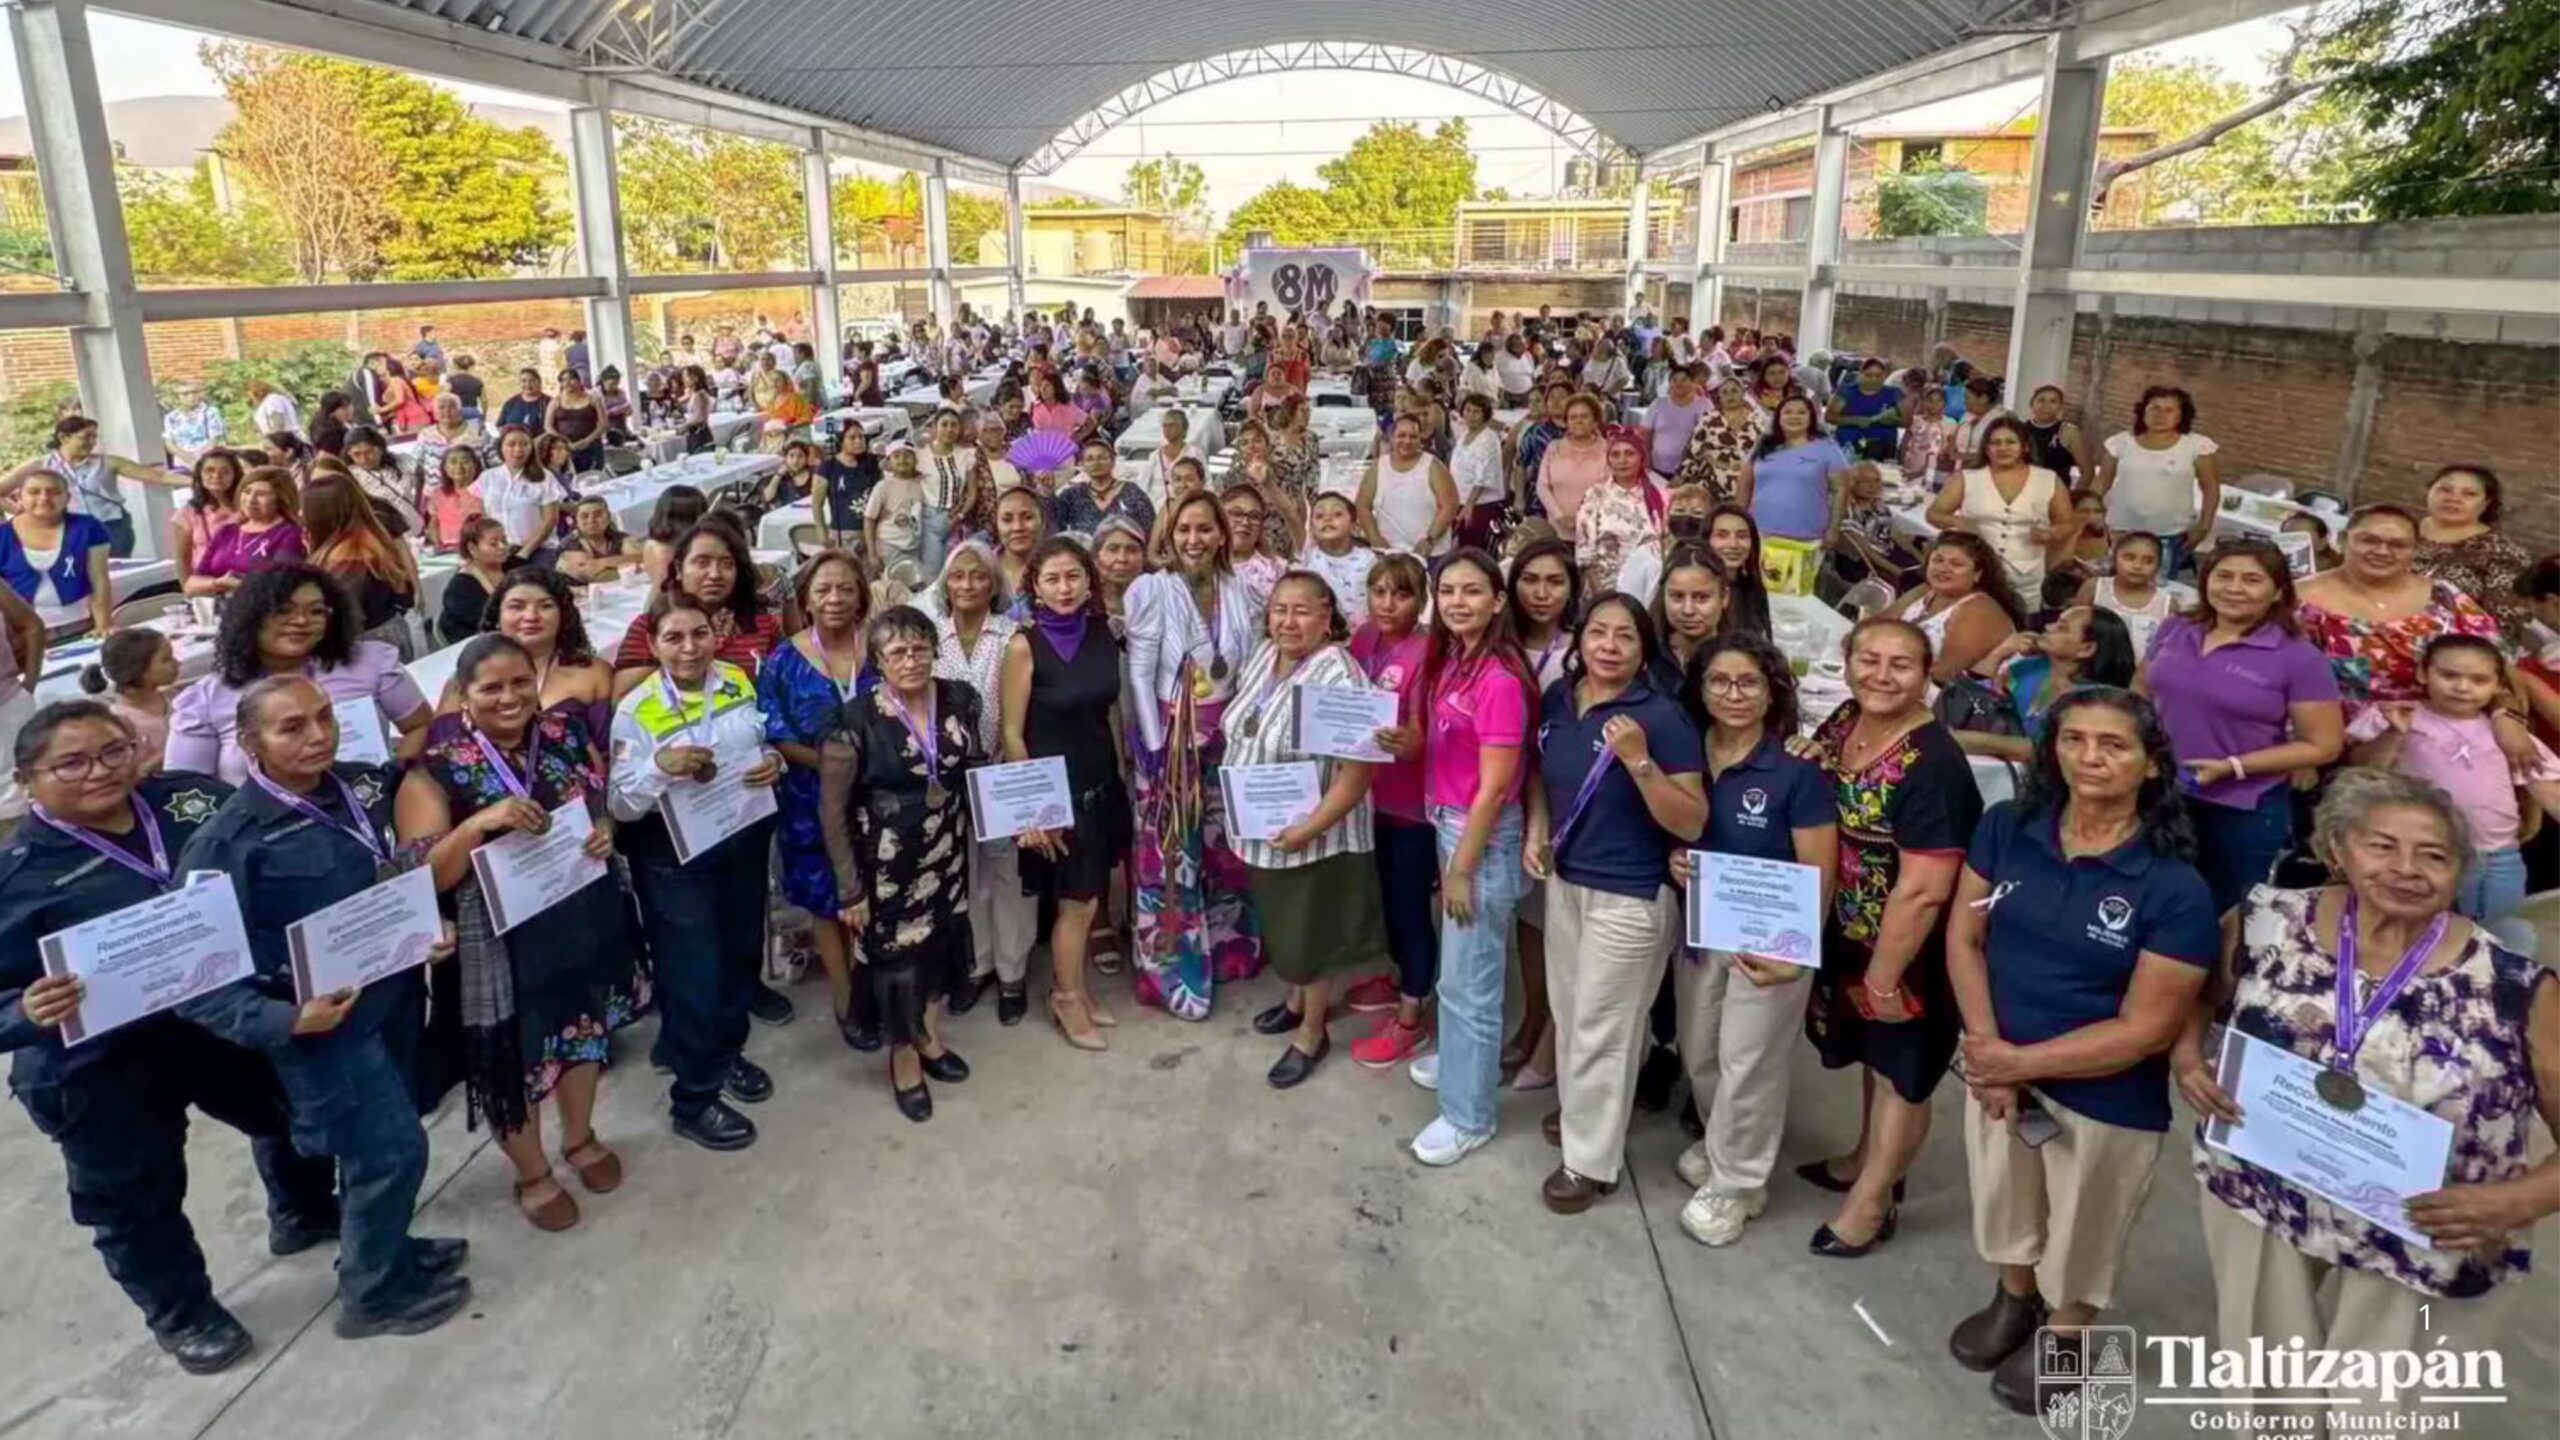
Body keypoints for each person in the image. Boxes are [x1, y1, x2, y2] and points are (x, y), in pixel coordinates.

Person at [2173, 770, 2558, 1415]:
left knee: (2382, 1407)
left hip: (2425, 1222)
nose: (2406, 868)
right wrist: (2189, 1058)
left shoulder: (2515, 988)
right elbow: (2198, 995)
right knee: (2265, 1375)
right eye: (2381, 846)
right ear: (2337, 849)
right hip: (2265, 1184)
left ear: (2461, 869)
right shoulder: (2267, 920)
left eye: (2433, 854)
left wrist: (2514, 1201)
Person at [0, 701, 343, 1371]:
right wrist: (23, 1010)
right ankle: (181, 1312)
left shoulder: (189, 801)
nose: (99, 771)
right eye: (71, 762)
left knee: (290, 1112)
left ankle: (301, 1210)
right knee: (134, 1195)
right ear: (26, 779)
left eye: (114, 751)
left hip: (218, 1019)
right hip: (100, 1061)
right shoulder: (14, 881)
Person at [1942, 687, 2218, 1414]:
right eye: (2074, 740)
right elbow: (1965, 937)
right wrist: (1984, 1047)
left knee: (2084, 1225)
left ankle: (2069, 1330)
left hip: (2102, 1092)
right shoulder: (2008, 827)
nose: (2090, 757)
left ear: (2152, 765)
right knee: (2005, 1196)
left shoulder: (2173, 888)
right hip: (1998, 1059)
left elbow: (2146, 1029)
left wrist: (2017, 1065)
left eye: (2114, 745)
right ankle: (2016, 1298)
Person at [176, 676, 474, 1337]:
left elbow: (385, 878)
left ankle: (387, 1249)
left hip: (391, 1001)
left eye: (323, 718)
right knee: (390, 1153)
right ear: (249, 744)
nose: (316, 736)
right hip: (323, 1030)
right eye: (291, 728)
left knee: (381, 1149)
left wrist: (422, 926)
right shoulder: (229, 843)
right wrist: (285, 1021)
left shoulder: (358, 788)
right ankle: (371, 1295)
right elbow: (194, 979)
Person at [397, 636, 633, 1230]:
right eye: (491, 688)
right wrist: (479, 822)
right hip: (496, 944)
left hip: (574, 913)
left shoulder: (561, 734)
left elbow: (594, 795)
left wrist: (602, 827)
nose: (509, 698)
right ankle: (532, 1173)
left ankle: (579, 1138)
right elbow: (422, 882)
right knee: (512, 1061)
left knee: (582, 1032)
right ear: (463, 697)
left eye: (520, 683)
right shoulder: (436, 769)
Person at [1797, 617, 1985, 1258]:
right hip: (1849, 927)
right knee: (1874, 1062)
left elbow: (1926, 888)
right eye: (1868, 659)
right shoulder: (1847, 721)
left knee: (1905, 1072)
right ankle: (1866, 1158)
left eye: (1900, 664)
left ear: (1927, 674)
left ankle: (1872, 1202)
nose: (1881, 675)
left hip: (1909, 950)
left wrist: (1884, 973)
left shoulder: (1933, 763)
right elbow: (1816, 774)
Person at [1522, 595, 1707, 1212]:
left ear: (1642, 650)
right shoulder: (1559, 701)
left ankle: (1590, 1163)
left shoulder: (1662, 718)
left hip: (1630, 891)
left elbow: (1691, 817)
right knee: (1572, 1013)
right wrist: (1536, 833)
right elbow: (1540, 779)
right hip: (1567, 882)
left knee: (1606, 1026)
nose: (1608, 645)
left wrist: (1640, 762)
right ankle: (1584, 1114)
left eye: (1624, 637)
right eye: (1597, 632)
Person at [1666, 632, 1837, 1247]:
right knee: (1702, 1051)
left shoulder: (1796, 770)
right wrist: (1675, 861)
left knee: (1750, 1064)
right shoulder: (1685, 754)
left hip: (1770, 943)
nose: (1733, 694)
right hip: (1701, 929)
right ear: (1701, 688)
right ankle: (1725, 1150)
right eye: (1719, 682)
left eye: (1748, 683)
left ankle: (1735, 1184)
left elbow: (1820, 867)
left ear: (1772, 693)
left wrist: (1793, 953)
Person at [607, 595, 782, 1152]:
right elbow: (619, 803)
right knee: (693, 972)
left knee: (740, 955)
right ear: (653, 645)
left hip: (739, 835)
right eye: (674, 638)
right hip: (673, 855)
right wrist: (658, 767)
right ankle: (694, 1098)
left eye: (699, 634)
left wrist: (774, 759)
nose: (689, 648)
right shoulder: (636, 710)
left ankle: (725, 1053)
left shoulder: (735, 680)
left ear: (716, 635)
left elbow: (757, 740)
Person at [1211, 570, 1385, 1087]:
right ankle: (1293, 1000)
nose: (1288, 621)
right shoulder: (1266, 655)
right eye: (1279, 609)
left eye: (1302, 610)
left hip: (1315, 836)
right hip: (1265, 828)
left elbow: (1358, 773)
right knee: (1287, 928)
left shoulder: (1341, 676)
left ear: (1327, 616)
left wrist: (1310, 828)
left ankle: (1312, 1031)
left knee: (1311, 936)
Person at [1396, 549, 1534, 1167]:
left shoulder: (1501, 679)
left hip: (1480, 837)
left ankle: (1468, 1115)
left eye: (1472, 591)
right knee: (1459, 973)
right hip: (1449, 824)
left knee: (1473, 985)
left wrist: (1461, 868)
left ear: (1497, 600)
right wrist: (1408, 743)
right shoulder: (1455, 661)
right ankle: (1457, 1063)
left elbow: (1497, 787)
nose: (1457, 602)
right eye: (1447, 591)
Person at [816, 605, 979, 1121]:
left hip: (946, 853)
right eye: (897, 652)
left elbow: (972, 767)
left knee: (938, 952)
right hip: (884, 869)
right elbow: (832, 811)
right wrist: (849, 890)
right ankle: (904, 1060)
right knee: (897, 969)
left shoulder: (959, 698)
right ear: (878, 661)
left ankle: (930, 1038)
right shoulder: (853, 722)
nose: (910, 660)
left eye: (920, 648)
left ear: (934, 650)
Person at [2139, 538, 2346, 917]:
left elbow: (2324, 745)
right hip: (2158, 792)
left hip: (2240, 807)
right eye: (2224, 576)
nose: (2234, 588)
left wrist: (2233, 766)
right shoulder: (2178, 628)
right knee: (2150, 897)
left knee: (2220, 912)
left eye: (2251, 580)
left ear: (2277, 591)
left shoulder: (2298, 658)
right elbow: (2140, 691)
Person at [1124, 491, 1264, 1020]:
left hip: (1226, 739)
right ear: (1170, 533)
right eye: (1184, 529)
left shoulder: (1238, 587)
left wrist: (1247, 737)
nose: (1194, 540)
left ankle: (1229, 948)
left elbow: (1247, 667)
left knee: (1224, 848)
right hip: (1171, 741)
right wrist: (1158, 751)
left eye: (1205, 529)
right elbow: (1140, 672)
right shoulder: (1153, 590)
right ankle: (1172, 972)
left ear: (1222, 534)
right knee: (1171, 854)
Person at [1001, 539, 1131, 1051]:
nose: (1064, 588)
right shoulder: (1023, 646)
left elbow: (1112, 714)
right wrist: (1033, 808)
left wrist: (1122, 775)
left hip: (1102, 783)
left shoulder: (1105, 633)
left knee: (1093, 893)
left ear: (1088, 580)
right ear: (1035, 585)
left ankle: (1078, 988)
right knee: (1076, 903)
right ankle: (1066, 997)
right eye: (1052, 579)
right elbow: (1012, 732)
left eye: (1073, 576)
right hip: (1056, 794)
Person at [2348, 634, 2560, 948]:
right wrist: (2394, 734)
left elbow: (2548, 792)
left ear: (2497, 685)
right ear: (2423, 673)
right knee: (2417, 943)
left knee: (2502, 943)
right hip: (2415, 859)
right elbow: (2364, 773)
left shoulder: (2509, 736)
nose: (2462, 687)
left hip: (2496, 859)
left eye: (2478, 680)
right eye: (2449, 675)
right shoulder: (2396, 716)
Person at [759, 552, 877, 1048]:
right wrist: (835, 771)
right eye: (824, 590)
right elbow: (777, 734)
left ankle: (876, 985)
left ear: (861, 597)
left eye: (846, 589)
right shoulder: (784, 660)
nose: (835, 599)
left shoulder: (881, 646)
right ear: (805, 599)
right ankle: (846, 996)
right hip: (811, 796)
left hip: (878, 793)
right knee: (827, 902)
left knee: (874, 890)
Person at [167, 565, 432, 785]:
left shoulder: (370, 662)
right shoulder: (207, 699)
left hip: (370, 810)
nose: (302, 621)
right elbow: (188, 789)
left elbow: (421, 726)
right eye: (283, 611)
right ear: (251, 617)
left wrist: (394, 777)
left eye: (316, 611)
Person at [1341, 554, 1439, 1070]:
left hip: (1411, 806)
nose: (1386, 603)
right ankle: (1397, 973)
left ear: (1420, 600)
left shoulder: (1428, 649)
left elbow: (1427, 729)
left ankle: (1411, 1015)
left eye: (1399, 593)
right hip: (1366, 796)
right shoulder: (1361, 639)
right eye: (1378, 591)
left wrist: (1410, 742)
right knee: (1381, 898)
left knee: (1409, 906)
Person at [928, 541, 1032, 1023]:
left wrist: (1015, 777)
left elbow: (1013, 719)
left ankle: (1012, 972)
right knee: (966, 875)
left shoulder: (1011, 637)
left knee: (1006, 872)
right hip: (946, 777)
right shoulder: (932, 638)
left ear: (994, 584)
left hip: (997, 768)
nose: (967, 585)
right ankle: (979, 964)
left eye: (978, 576)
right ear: (945, 584)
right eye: (957, 577)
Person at [2298, 505, 2512, 715]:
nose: (2382, 551)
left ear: (2415, 550)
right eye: (2368, 540)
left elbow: (2501, 661)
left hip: (2443, 727)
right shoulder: (2300, 598)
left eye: (2398, 545)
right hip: (2336, 732)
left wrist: (2507, 715)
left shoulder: (2443, 596)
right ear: (2342, 540)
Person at [611, 521, 782, 696]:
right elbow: (622, 699)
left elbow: (781, 684)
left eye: (726, 564)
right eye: (702, 563)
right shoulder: (651, 626)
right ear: (679, 568)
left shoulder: (760, 623)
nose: (715, 574)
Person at [1953, 605, 2138, 762]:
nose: (2048, 627)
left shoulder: (2096, 701)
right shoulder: (2027, 668)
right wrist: (2001, 652)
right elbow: (1973, 695)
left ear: (2086, 649)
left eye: (2061, 627)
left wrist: (1973, 741)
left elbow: (2051, 749)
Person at [1927, 416, 2074, 598]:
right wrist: (1956, 521)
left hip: (2027, 578)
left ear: (2025, 446)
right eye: (1995, 443)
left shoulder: (2049, 479)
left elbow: (2067, 523)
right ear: (1986, 449)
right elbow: (1934, 514)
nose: (2002, 448)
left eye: (2010, 442)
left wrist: (2052, 533)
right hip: (1976, 575)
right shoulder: (1967, 478)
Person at [3, 416, 190, 558]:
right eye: (85, 437)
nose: (92, 442)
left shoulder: (107, 462)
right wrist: (22, 512)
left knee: (115, 576)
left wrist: (197, 481)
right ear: (63, 437)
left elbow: (158, 476)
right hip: (69, 529)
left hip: (112, 527)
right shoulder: (41, 465)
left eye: (94, 437)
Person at [2094, 386, 2221, 578]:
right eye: (2154, 408)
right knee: (2116, 583)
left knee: (2158, 589)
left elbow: (2211, 489)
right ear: (2143, 411)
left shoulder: (2196, 446)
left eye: (2169, 410)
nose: (2160, 415)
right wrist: (2087, 514)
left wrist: (2204, 526)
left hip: (2170, 534)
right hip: (2121, 531)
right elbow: (2101, 482)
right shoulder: (2121, 443)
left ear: (2181, 415)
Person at [1880, 532, 2023, 684]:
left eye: (1956, 564)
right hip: (1906, 677)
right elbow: (1880, 625)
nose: (1943, 568)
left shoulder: (1978, 611)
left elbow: (1945, 674)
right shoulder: (1926, 590)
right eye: (1938, 560)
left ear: (1977, 574)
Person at [301, 476, 419, 655]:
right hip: (388, 635)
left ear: (321, 513)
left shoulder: (347, 560)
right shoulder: (372, 540)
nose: (300, 514)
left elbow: (345, 617)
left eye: (305, 508)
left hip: (366, 647)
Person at [2410, 464, 2531, 637]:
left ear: (2486, 503)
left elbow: (2504, 624)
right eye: (2445, 489)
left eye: (2469, 494)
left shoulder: (2503, 554)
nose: (2453, 498)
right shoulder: (2399, 532)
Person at [0, 468, 115, 635]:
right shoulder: (3, 536)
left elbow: (99, 578)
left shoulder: (88, 527)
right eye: (34, 492)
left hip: (81, 623)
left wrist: (103, 624)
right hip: (22, 632)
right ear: (19, 497)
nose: (44, 498)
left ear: (67, 498)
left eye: (54, 492)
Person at [1739, 395, 1854, 548]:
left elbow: (1841, 490)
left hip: (1807, 539)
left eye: (1801, 413)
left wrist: (1833, 530)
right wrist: (1738, 525)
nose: (1794, 417)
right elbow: (1744, 488)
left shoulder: (1828, 448)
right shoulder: (1763, 446)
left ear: (1811, 418)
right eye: (1788, 412)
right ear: (1778, 417)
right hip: (1760, 535)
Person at [1573, 426, 1664, 596]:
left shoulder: (1657, 495)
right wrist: (1602, 596)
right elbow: (1585, 554)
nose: (1622, 460)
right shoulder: (1595, 495)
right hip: (1605, 587)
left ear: (1641, 457)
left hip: (1649, 588)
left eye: (1629, 454)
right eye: (1615, 455)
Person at [1356, 412, 1459, 559]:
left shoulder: (1434, 466)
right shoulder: (1378, 466)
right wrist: (1374, 538)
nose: (1407, 441)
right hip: (1390, 555)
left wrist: (1429, 540)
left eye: (1413, 436)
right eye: (1401, 435)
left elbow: (1450, 505)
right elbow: (1362, 505)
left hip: (1430, 555)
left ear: (1421, 438)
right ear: (1392, 437)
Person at [78, 628, 178, 772]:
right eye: (166, 659)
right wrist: (174, 752)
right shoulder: (121, 724)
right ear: (139, 670)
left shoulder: (173, 697)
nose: (177, 663)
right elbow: (131, 774)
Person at [2072, 530, 2176, 658]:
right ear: (2115, 558)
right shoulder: (2094, 588)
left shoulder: (2167, 604)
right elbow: (2073, 628)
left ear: (2158, 566)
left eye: (2148, 561)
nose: (2137, 566)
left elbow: (2168, 649)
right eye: (2129, 558)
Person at [473, 428, 568, 567]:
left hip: (539, 549)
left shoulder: (545, 477)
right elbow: (482, 516)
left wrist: (525, 552)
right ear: (501, 447)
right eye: (511, 444)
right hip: (501, 550)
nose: (518, 449)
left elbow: (551, 520)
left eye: (524, 444)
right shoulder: (487, 477)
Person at [1673, 375, 1763, 508]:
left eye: (1734, 391)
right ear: (1719, 396)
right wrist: (1682, 476)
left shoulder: (1758, 420)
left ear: (1743, 393)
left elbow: (1766, 452)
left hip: (1749, 484)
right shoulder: (1708, 418)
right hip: (1714, 483)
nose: (1730, 395)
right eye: (1725, 392)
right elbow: (1694, 450)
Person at [1535, 394, 1611, 531]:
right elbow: (1542, 486)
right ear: (1567, 422)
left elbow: (1609, 490)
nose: (1578, 421)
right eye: (1573, 417)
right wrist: (1559, 516)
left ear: (1595, 421)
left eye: (1584, 416)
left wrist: (1582, 519)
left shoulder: (1608, 449)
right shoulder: (1554, 448)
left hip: (1595, 530)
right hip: (1557, 528)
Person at [1299, 492, 1376, 626]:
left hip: (1362, 636)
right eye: (1319, 515)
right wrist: (1268, 484)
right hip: (1321, 635)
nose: (1327, 519)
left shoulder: (1368, 558)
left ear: (1354, 526)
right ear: (1311, 529)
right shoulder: (1309, 554)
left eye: (1337, 514)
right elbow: (1289, 514)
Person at [436, 517, 512, 649]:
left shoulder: (512, 567)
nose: (502, 547)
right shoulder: (461, 588)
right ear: (472, 548)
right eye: (494, 544)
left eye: (504, 541)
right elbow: (496, 621)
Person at [1703, 504, 1775, 640]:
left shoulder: (1753, 589)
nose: (1733, 544)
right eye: (1722, 535)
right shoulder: (1696, 590)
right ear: (1707, 540)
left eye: (1742, 536)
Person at [1826, 358, 1904, 462]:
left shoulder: (1893, 393)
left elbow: (1907, 421)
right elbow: (1829, 417)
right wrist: (1854, 420)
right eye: (1869, 375)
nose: (1873, 379)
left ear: (1885, 376)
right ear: (1860, 374)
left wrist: (1892, 420)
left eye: (1878, 376)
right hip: (1850, 442)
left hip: (1882, 444)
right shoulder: (1846, 391)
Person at [814, 424, 879, 549]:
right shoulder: (828, 467)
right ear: (841, 441)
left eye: (861, 437)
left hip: (873, 531)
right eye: (852, 438)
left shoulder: (872, 463)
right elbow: (817, 504)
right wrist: (822, 535)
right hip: (843, 534)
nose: (858, 441)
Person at [2019, 384, 2094, 489]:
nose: (2046, 406)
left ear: (2061, 407)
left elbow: (2088, 471)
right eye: (2041, 400)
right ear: (2032, 404)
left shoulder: (2069, 433)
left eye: (2053, 401)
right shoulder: (2019, 430)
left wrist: (2074, 498)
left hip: (2055, 494)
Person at [556, 496, 639, 585]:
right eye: (584, 516)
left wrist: (602, 563)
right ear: (576, 520)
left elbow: (642, 557)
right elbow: (588, 574)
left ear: (608, 517)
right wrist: (630, 569)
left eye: (598, 515)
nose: (591, 520)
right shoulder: (570, 543)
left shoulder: (619, 538)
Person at [422, 445, 488, 553]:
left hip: (478, 550)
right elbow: (434, 524)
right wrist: (438, 545)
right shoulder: (438, 494)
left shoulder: (486, 491)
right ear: (445, 468)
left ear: (476, 465)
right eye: (453, 462)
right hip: (447, 551)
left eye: (465, 461)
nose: (459, 466)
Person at [160, 383, 229, 470]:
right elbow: (169, 443)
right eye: (185, 394)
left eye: (194, 392)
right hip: (182, 463)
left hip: (209, 460)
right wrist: (189, 459)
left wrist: (200, 460)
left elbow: (215, 438)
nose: (191, 397)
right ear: (178, 397)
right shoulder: (171, 417)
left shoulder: (210, 412)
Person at [497, 369, 549, 435]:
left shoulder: (548, 403)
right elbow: (499, 426)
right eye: (524, 381)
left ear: (539, 382)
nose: (528, 384)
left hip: (539, 442)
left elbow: (551, 429)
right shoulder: (511, 403)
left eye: (532, 380)